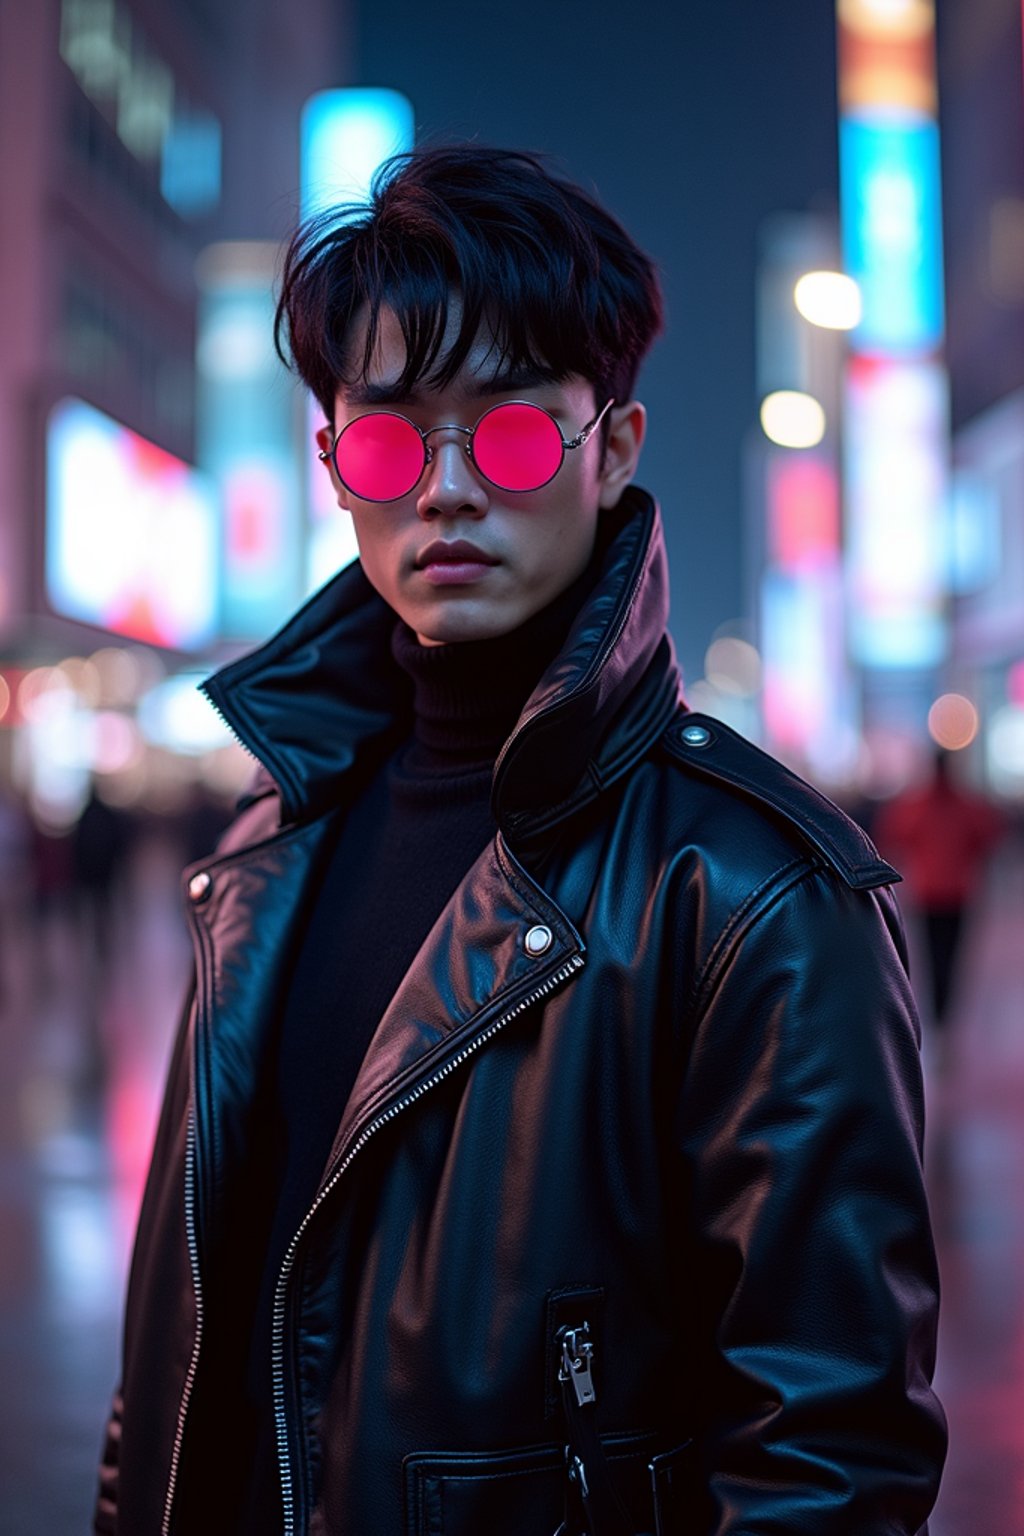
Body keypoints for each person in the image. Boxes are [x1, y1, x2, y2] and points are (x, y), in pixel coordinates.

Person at [95, 145, 946, 1536]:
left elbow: (827, 1462)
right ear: (332, 464)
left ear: (610, 447)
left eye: (506, 432)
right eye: (388, 437)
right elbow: (167, 1371)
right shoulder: (264, 849)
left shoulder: (752, 893)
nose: (444, 490)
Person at [875, 747, 1003, 1042]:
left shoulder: (916, 805)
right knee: (951, 957)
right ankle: (944, 1018)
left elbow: (893, 835)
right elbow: (988, 838)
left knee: (933, 957)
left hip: (928, 893)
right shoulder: (966, 804)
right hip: (958, 892)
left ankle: (938, 1017)